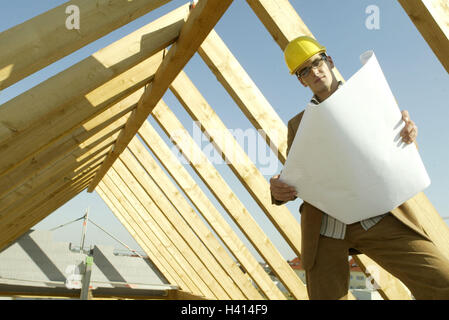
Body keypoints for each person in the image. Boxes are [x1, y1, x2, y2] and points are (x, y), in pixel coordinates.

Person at [270, 36, 449, 300]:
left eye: (316, 63)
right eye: (304, 71)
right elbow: (296, 176)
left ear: (329, 61)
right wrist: (278, 189)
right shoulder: (298, 125)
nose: (314, 72)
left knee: (441, 280)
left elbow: (401, 155)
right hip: (325, 228)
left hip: (376, 217)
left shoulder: (371, 97)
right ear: (301, 80)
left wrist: (409, 138)